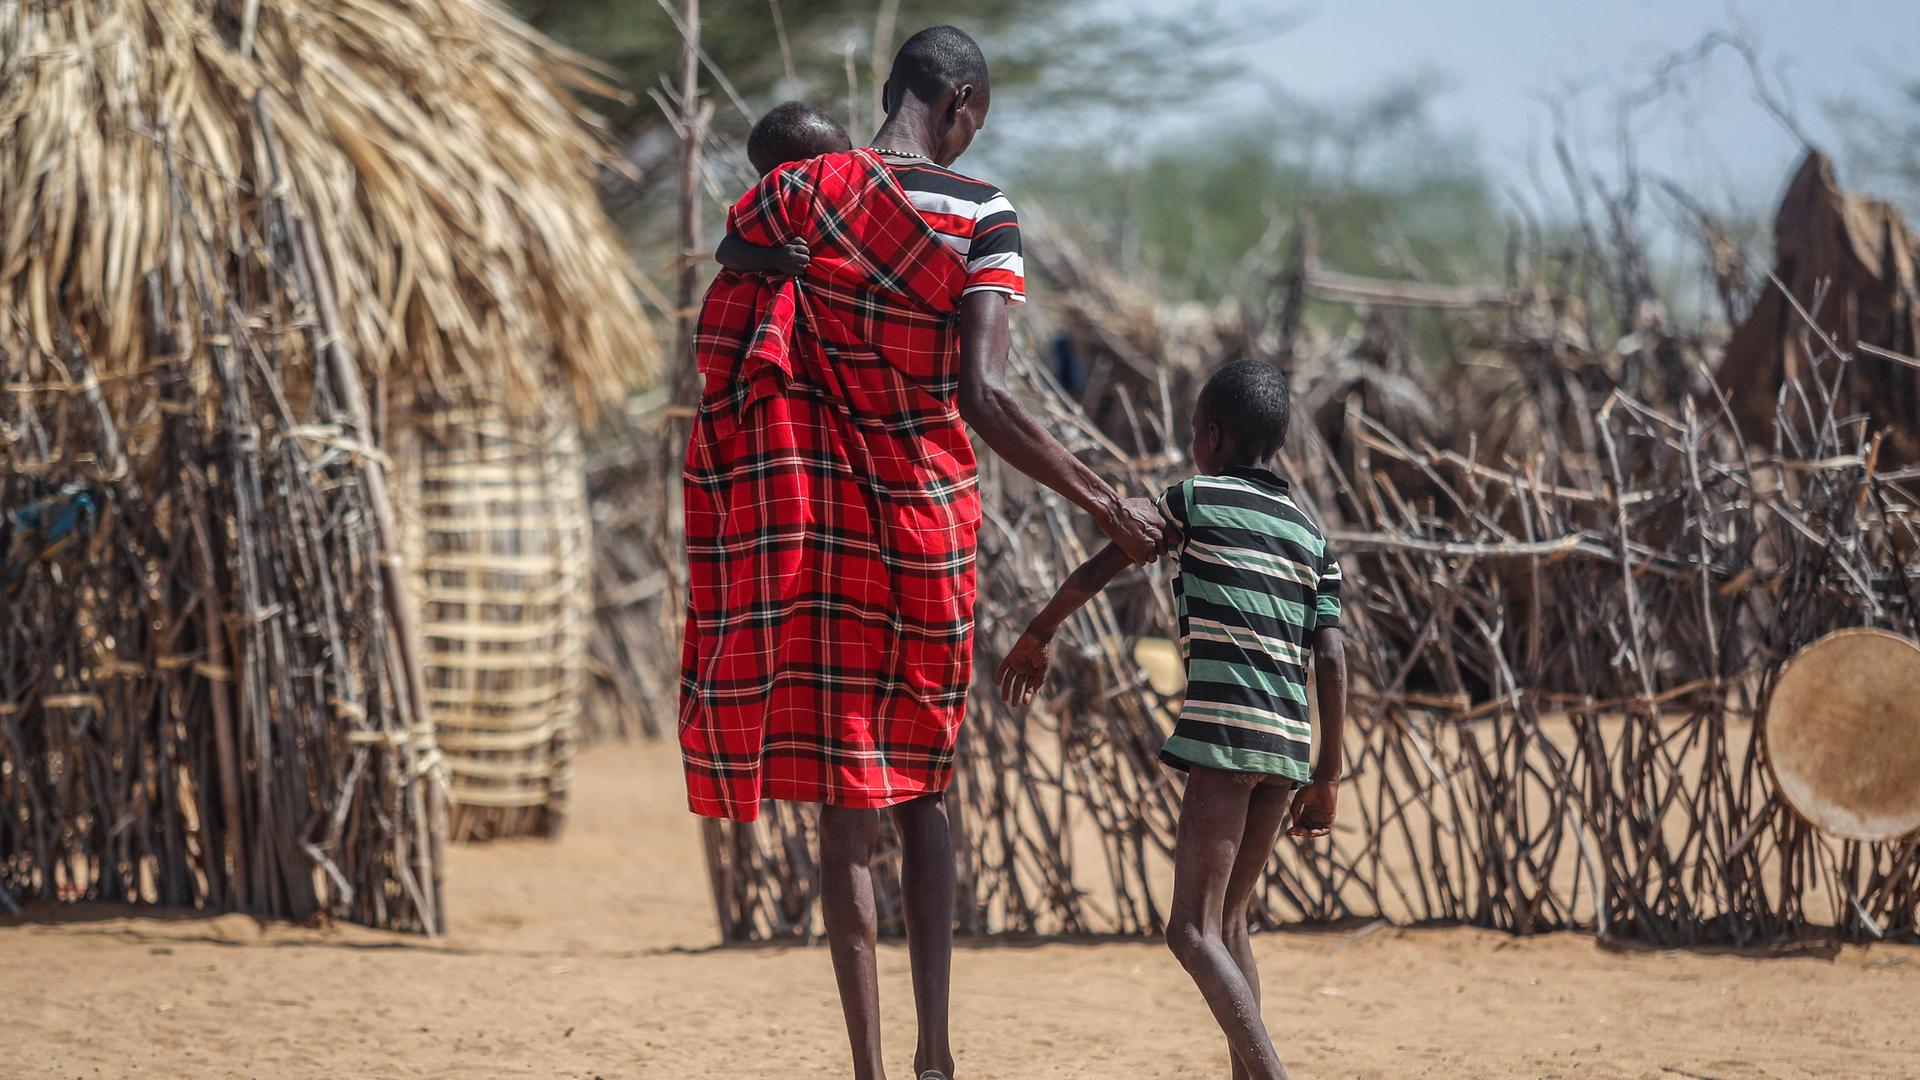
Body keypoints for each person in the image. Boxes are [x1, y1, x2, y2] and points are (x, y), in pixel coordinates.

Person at [678, 26, 1169, 1080]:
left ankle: (867, 1070)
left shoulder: (801, 194)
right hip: (924, 524)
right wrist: (1099, 497)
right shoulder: (981, 212)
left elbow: (734, 274)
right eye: (974, 115)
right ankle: (936, 1059)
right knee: (926, 788)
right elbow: (983, 395)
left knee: (847, 811)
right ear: (960, 105)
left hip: (826, 530)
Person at [995, 359, 1348, 1080]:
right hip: (1287, 746)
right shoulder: (1311, 537)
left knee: (1190, 931)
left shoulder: (1194, 499)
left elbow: (1106, 564)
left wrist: (1039, 632)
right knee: (1231, 924)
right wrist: (1328, 776)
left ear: (1212, 436)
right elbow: (1334, 660)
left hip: (1226, 734)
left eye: (1193, 433)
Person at [713, 101, 851, 277]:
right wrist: (775, 259)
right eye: (832, 167)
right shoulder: (769, 207)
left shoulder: (853, 196)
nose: (847, 168)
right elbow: (726, 252)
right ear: (785, 181)